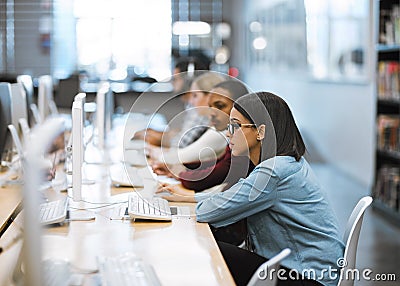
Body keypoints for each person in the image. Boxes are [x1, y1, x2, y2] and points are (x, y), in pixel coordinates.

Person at [158, 92, 345, 286]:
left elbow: (210, 211)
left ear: (260, 132)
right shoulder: (284, 163)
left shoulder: (273, 172)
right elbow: (231, 198)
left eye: (235, 126)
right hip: (311, 270)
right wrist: (187, 198)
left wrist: (167, 211)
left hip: (308, 277)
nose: (228, 133)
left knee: (205, 247)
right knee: (213, 246)